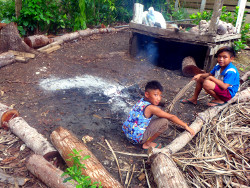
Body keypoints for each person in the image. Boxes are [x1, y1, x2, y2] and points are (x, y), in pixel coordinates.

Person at [122, 80, 195, 149]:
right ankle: (147, 144)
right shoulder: (152, 108)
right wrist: (185, 126)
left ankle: (143, 139)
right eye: (156, 95)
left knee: (153, 118)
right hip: (136, 139)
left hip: (127, 132)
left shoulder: (141, 101)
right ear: (147, 94)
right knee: (164, 121)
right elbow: (171, 117)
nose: (159, 98)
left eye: (160, 95)